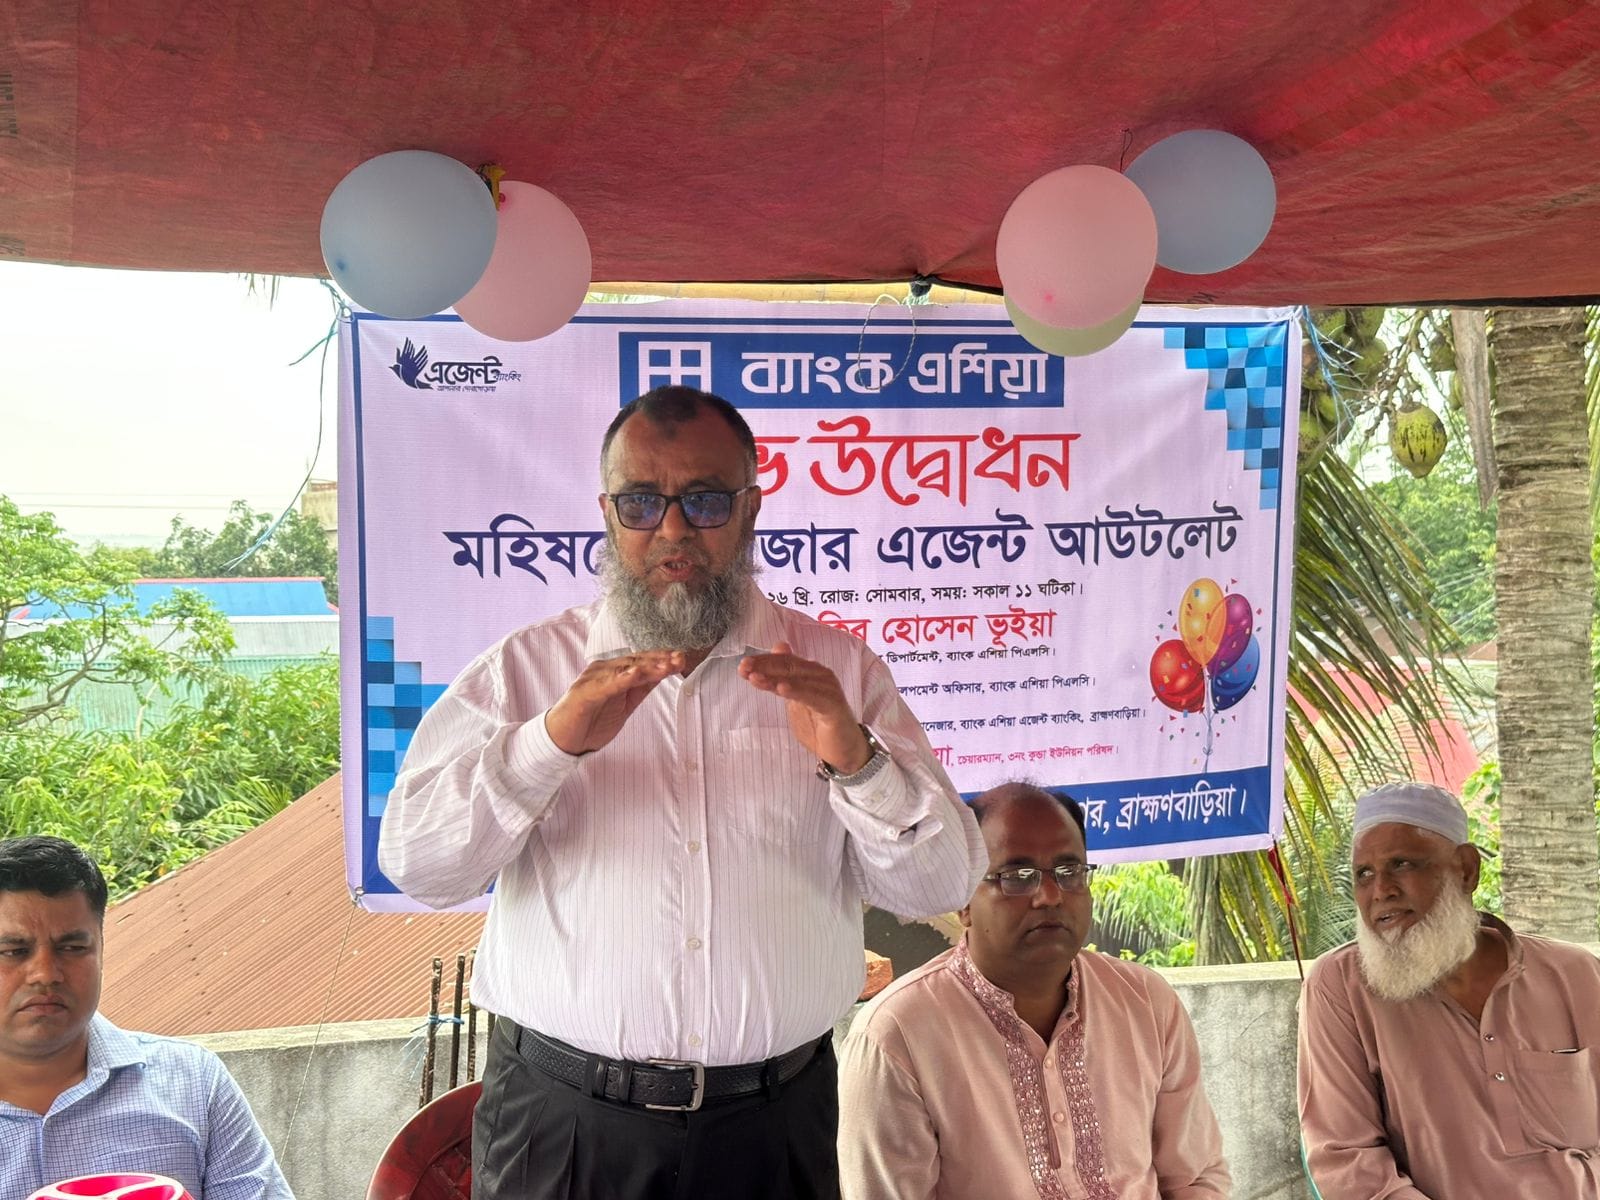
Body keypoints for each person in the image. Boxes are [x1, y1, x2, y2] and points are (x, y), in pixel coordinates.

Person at [378, 385, 985, 1200]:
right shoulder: (525, 672)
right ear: (607, 514)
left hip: (776, 1127)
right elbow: (419, 865)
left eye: (704, 500)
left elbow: (941, 884)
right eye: (641, 502)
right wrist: (550, 744)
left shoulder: (839, 674)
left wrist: (858, 764)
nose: (672, 530)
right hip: (564, 1130)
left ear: (750, 509)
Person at [837, 781, 1231, 1199]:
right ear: (963, 899)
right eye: (1017, 877)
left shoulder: (1146, 1003)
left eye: (1070, 872)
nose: (1050, 896)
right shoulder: (897, 1037)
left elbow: (1194, 1178)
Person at [1297, 780, 1600, 1198]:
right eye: (1363, 874)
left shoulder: (1576, 974)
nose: (1381, 890)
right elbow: (1348, 1161)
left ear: (1466, 870)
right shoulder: (1341, 986)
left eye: (1402, 864)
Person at [0, 835, 294, 1199]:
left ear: (101, 949)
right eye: (12, 951)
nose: (45, 973)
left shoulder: (194, 1084)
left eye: (72, 948)